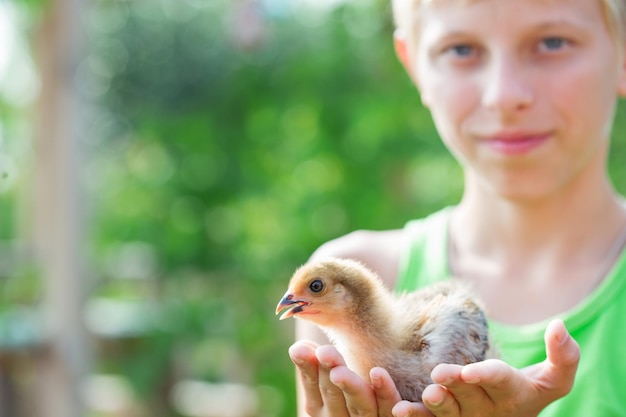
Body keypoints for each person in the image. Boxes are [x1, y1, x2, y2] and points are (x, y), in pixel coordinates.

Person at [286, 0, 626, 416]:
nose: (504, 95)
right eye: (461, 50)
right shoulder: (351, 270)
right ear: (414, 67)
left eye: (552, 42)